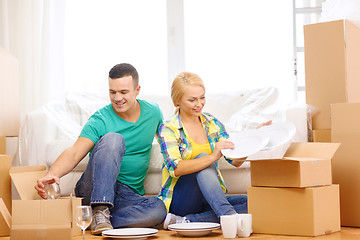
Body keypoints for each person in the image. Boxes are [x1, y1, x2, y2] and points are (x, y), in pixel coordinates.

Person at [35, 63, 167, 235]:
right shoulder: (100, 119)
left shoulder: (153, 112)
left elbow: (168, 144)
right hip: (94, 188)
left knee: (158, 210)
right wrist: (52, 174)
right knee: (114, 139)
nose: (117, 98)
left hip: (127, 195)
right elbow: (74, 152)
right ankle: (100, 208)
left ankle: (93, 219)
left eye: (124, 92)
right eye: (113, 92)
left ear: (137, 90)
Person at [158, 72, 269, 229]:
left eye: (202, 97)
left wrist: (255, 137)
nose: (199, 104)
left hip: (208, 199)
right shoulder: (168, 128)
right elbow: (175, 168)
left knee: (255, 203)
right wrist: (212, 157)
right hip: (181, 200)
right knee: (204, 157)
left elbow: (235, 161)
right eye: (192, 100)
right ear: (177, 100)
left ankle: (189, 221)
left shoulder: (211, 123)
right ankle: (228, 216)